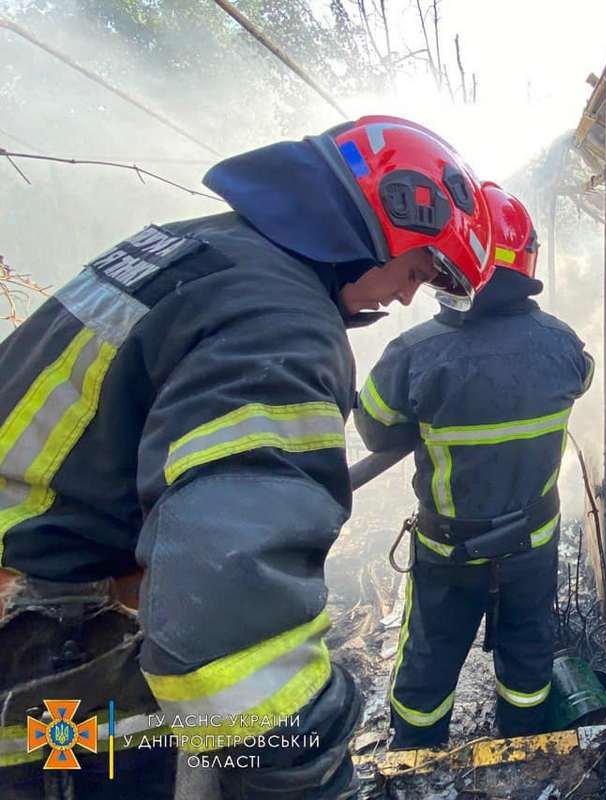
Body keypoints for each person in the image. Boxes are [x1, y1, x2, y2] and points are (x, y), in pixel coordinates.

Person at [0, 115, 493, 799]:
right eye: (416, 270)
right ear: (388, 218)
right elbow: (228, 629)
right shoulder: (280, 322)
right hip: (50, 653)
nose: (407, 296)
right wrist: (311, 764)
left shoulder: (182, 247)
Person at [355, 182, 594, 750]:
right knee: (528, 657)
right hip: (531, 546)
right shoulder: (563, 346)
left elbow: (374, 428)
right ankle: (525, 749)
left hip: (449, 553)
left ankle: (413, 759)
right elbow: (579, 379)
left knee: (427, 667)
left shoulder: (413, 354)